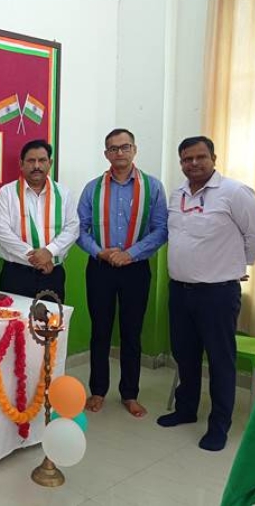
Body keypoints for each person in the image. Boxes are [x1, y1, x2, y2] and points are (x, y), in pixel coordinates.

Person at [158, 136, 255, 451]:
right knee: (185, 354)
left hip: (217, 294)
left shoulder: (234, 192)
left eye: (200, 157)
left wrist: (235, 263)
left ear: (213, 158)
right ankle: (185, 409)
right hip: (180, 291)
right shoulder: (177, 194)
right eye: (186, 159)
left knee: (220, 360)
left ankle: (219, 425)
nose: (193, 163)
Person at [77, 128, 167, 418]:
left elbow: (161, 229)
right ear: (106, 154)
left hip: (136, 269)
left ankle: (130, 394)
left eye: (124, 147)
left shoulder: (153, 187)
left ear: (134, 150)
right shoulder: (92, 189)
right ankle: (98, 390)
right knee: (100, 331)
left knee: (132, 333)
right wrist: (100, 252)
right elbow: (80, 229)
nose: (119, 152)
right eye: (113, 148)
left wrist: (130, 254)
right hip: (100, 268)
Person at [0, 139, 79, 302]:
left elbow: (72, 228)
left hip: (52, 274)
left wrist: (49, 251)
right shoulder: (7, 193)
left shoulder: (64, 193)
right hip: (16, 274)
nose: (37, 166)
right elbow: (1, 232)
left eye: (42, 160)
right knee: (15, 318)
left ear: (50, 163)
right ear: (21, 164)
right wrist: (34, 257)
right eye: (31, 161)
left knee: (51, 318)